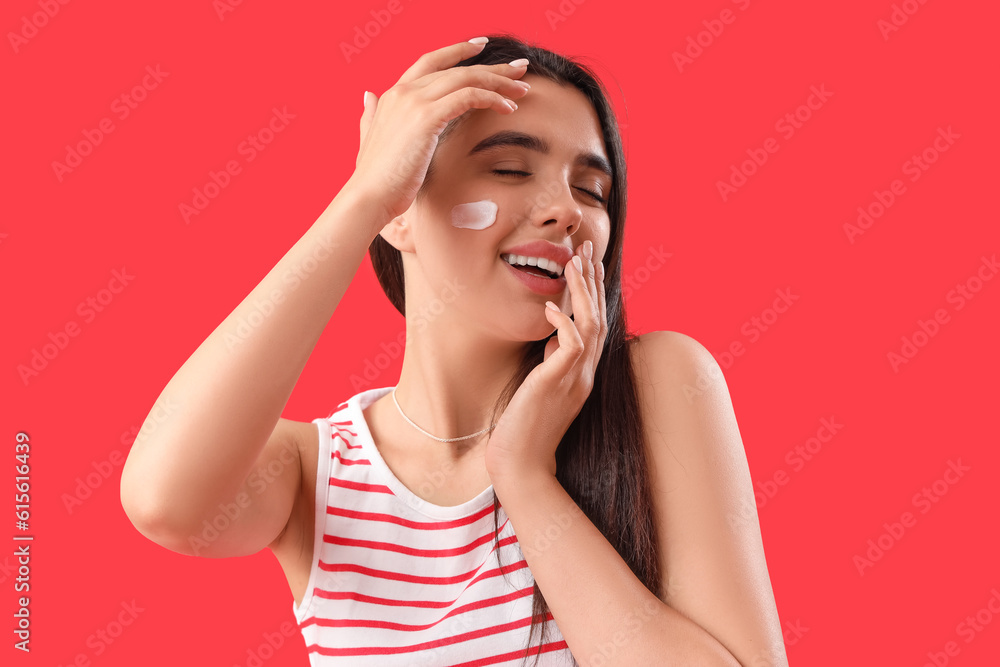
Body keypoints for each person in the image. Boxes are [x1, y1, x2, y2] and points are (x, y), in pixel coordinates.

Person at [120, 33, 788, 666]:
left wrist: (525, 477)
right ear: (402, 212)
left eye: (592, 189)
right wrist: (363, 198)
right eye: (507, 168)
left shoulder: (654, 385)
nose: (566, 210)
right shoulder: (316, 473)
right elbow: (162, 500)